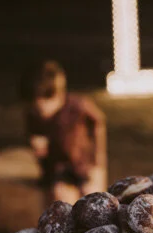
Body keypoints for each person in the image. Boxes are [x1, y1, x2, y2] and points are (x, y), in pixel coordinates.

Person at [22, 60, 107, 205]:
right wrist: (39, 150)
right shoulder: (33, 116)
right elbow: (38, 145)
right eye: (36, 104)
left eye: (46, 100)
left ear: (59, 94)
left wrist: (98, 164)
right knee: (62, 202)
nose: (41, 108)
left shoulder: (77, 106)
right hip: (59, 169)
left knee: (94, 204)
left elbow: (98, 122)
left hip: (84, 165)